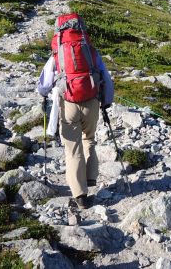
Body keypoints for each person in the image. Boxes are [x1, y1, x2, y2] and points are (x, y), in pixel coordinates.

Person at [37, 13, 114, 209]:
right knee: (90, 139)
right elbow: (106, 78)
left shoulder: (57, 53)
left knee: (72, 148)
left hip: (68, 103)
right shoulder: (91, 51)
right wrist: (106, 102)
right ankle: (90, 177)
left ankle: (80, 195)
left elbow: (44, 84)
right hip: (91, 102)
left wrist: (44, 93)